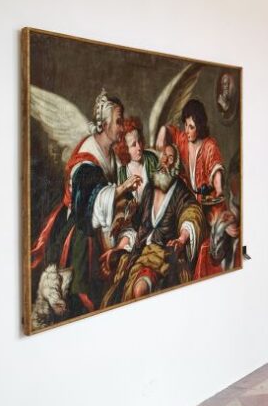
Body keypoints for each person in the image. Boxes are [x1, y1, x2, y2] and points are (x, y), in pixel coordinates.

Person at [30, 89, 141, 315]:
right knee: (84, 255)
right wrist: (122, 189)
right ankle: (83, 297)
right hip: (80, 225)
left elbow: (117, 184)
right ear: (104, 124)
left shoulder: (111, 153)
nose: (122, 128)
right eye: (118, 122)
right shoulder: (87, 156)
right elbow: (89, 200)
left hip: (103, 222)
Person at [101, 144, 205, 305]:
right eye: (164, 156)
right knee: (113, 299)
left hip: (163, 255)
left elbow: (191, 213)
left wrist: (182, 239)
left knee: (140, 289)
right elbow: (135, 227)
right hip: (140, 254)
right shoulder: (149, 189)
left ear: (175, 165)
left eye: (171, 158)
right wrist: (119, 248)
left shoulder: (179, 190)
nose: (166, 161)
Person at [156, 98, 238, 278]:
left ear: (199, 126)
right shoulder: (184, 140)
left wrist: (217, 186)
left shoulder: (209, 146)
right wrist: (162, 136)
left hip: (209, 204)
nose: (187, 130)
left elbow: (216, 170)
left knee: (220, 234)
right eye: (185, 125)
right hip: (189, 203)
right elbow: (169, 131)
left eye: (191, 126)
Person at [114, 117, 158, 202]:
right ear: (125, 149)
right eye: (133, 145)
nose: (139, 147)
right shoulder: (121, 173)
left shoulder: (152, 160)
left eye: (139, 141)